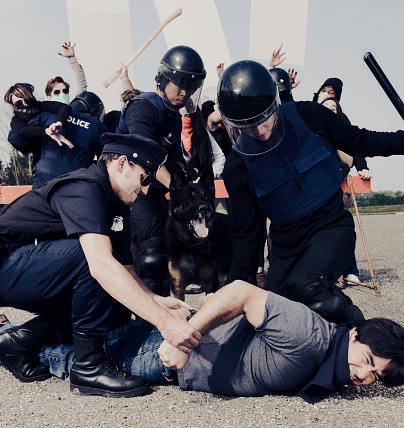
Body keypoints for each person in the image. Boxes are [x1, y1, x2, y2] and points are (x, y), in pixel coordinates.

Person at [0, 132, 201, 397]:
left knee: (117, 303)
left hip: (26, 268)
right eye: (144, 178)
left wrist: (154, 300)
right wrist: (165, 323)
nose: (144, 190)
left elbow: (126, 270)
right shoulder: (85, 187)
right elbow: (101, 265)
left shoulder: (116, 202)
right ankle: (88, 367)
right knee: (93, 260)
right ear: (121, 164)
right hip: (5, 263)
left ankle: (20, 342)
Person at [2, 281, 403, 404]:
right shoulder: (309, 335)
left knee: (98, 338)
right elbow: (243, 293)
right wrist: (185, 340)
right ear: (354, 334)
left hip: (175, 361)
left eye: (375, 375)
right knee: (76, 358)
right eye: (367, 358)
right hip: (165, 357)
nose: (364, 374)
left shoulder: (326, 357)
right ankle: (11, 342)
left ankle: (25, 337)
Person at [219, 60, 404, 324]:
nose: (259, 131)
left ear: (274, 104)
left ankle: (356, 334)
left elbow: (362, 140)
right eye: (247, 126)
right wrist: (230, 291)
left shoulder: (309, 115)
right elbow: (248, 236)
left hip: (332, 228)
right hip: (286, 246)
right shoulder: (237, 167)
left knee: (305, 287)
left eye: (263, 118)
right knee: (274, 317)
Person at [118, 45, 206, 296]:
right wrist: (178, 190)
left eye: (191, 85)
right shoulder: (143, 106)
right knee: (152, 257)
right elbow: (142, 155)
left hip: (153, 195)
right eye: (180, 83)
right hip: (131, 193)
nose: (185, 91)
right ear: (164, 78)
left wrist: (184, 177)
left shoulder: (174, 115)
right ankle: (146, 324)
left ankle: (162, 316)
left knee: (166, 254)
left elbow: (175, 158)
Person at [8, 90, 109, 188]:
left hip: (44, 181)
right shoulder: (98, 127)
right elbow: (108, 161)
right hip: (79, 183)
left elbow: (14, 137)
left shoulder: (50, 116)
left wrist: (42, 135)